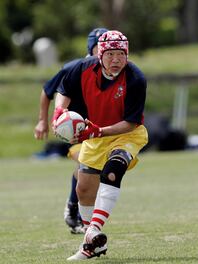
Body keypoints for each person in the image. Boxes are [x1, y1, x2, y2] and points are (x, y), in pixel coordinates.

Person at [51, 30, 148, 260]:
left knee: (113, 171)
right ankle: (93, 244)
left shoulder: (136, 78)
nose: (116, 60)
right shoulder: (82, 68)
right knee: (83, 190)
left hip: (127, 135)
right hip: (95, 138)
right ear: (100, 54)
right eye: (111, 54)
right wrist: (58, 113)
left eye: (121, 54)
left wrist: (99, 130)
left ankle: (92, 231)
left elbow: (131, 122)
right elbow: (63, 90)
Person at [34, 27, 108, 234]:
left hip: (97, 130)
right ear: (92, 47)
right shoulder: (75, 68)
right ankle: (74, 211)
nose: (108, 51)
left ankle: (76, 208)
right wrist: (43, 121)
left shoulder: (113, 72)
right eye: (102, 47)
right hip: (73, 129)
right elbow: (47, 91)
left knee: (94, 170)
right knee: (86, 166)